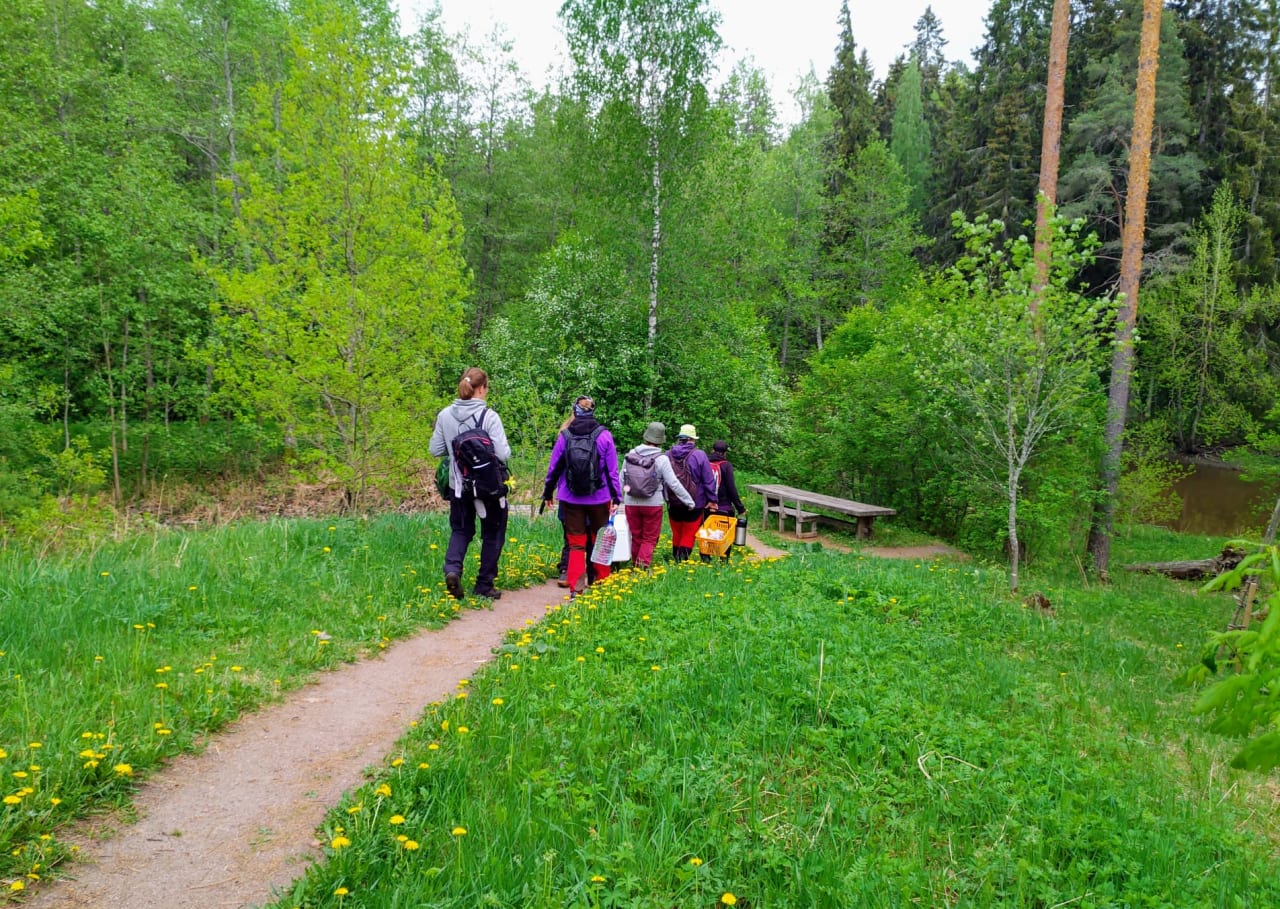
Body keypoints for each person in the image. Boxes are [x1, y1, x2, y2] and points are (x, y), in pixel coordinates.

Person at [429, 367, 510, 600]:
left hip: (458, 486)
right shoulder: (489, 417)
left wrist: (456, 451)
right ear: (482, 388)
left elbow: (435, 449)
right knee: (493, 533)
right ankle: (484, 585)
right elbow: (503, 454)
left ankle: (453, 570)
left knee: (461, 530)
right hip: (488, 487)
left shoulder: (445, 415)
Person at [541, 396, 621, 594]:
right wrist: (616, 497)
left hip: (571, 498)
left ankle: (576, 589)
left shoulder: (565, 436)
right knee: (599, 540)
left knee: (576, 544)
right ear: (593, 411)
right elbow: (612, 471)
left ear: (574, 411)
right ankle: (601, 584)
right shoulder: (604, 436)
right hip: (599, 498)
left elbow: (554, 467)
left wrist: (548, 492)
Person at [621, 422, 695, 570]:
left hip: (630, 502)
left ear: (646, 436)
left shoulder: (630, 455)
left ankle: (636, 565)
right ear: (661, 439)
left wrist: (616, 498)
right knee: (649, 538)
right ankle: (641, 569)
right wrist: (689, 501)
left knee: (636, 536)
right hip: (652, 504)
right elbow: (673, 483)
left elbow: (621, 479)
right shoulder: (661, 459)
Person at [664, 424, 717, 562]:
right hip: (695, 501)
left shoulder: (667, 454)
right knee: (689, 532)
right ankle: (681, 562)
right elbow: (708, 480)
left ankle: (676, 559)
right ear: (692, 439)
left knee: (677, 531)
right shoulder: (699, 455)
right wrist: (712, 500)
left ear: (680, 438)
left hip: (673, 500)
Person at [706, 439, 748, 559]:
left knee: (708, 532)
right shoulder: (726, 465)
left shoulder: (705, 463)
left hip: (707, 505)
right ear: (725, 453)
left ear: (712, 450)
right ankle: (723, 559)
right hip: (724, 507)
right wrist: (740, 508)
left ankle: (706, 558)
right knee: (725, 533)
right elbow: (731, 488)